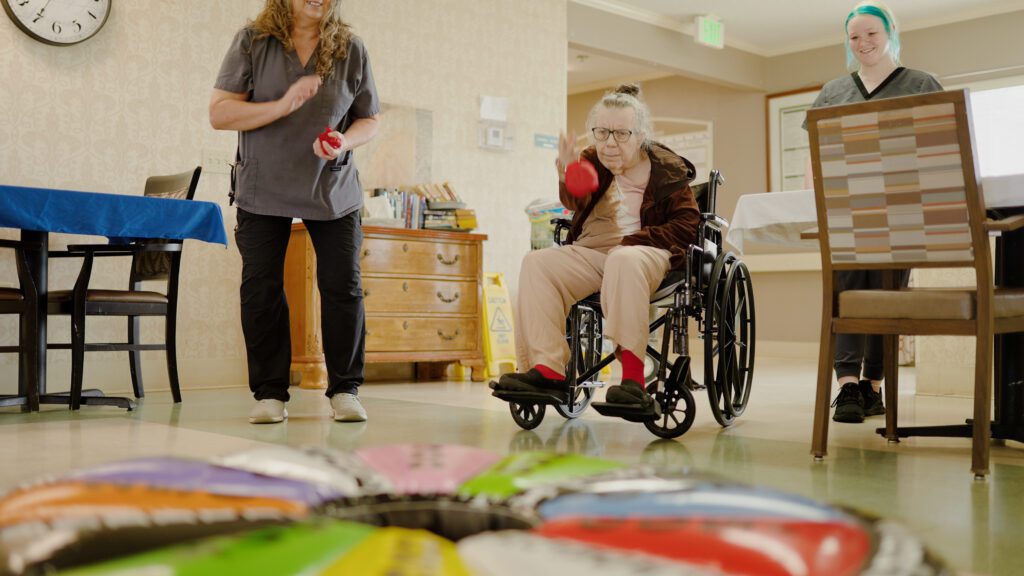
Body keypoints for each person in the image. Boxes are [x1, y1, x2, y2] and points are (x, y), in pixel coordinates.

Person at [210, 0, 380, 424]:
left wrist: (344, 142)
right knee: (261, 287)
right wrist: (284, 104)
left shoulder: (351, 49)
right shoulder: (254, 41)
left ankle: (345, 389)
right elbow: (220, 112)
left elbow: (369, 119)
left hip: (331, 187)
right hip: (263, 184)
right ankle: (270, 393)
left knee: (343, 286)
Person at [495, 84, 700, 413]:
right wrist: (565, 173)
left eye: (621, 133)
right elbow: (575, 201)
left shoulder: (666, 168)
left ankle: (632, 379)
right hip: (593, 252)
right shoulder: (592, 160)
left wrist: (635, 241)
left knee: (624, 258)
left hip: (646, 251)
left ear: (640, 135)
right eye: (602, 131)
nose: (610, 142)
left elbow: (688, 225)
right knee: (536, 263)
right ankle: (548, 370)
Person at [804, 1, 942, 424]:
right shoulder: (833, 91)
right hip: (845, 208)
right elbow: (816, 154)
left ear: (890, 32)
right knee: (846, 293)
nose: (863, 43)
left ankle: (874, 386)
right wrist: (816, 197)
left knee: (887, 294)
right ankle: (847, 387)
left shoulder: (921, 83)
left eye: (871, 34)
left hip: (902, 211)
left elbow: (940, 143)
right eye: (855, 37)